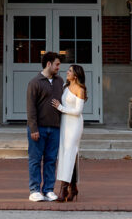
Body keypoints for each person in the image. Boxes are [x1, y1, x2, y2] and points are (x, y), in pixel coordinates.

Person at [26, 51, 64, 202]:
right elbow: (30, 108)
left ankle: (48, 190)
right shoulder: (34, 82)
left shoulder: (60, 81)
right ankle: (34, 190)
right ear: (49, 64)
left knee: (51, 160)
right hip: (39, 128)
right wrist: (33, 128)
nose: (59, 67)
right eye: (57, 64)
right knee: (35, 160)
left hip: (55, 128)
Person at [51, 63, 87, 203]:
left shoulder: (80, 89)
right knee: (65, 154)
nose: (67, 72)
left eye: (70, 71)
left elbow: (78, 111)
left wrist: (60, 108)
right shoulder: (65, 87)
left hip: (75, 124)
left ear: (75, 75)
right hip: (64, 123)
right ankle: (73, 188)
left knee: (69, 153)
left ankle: (63, 189)